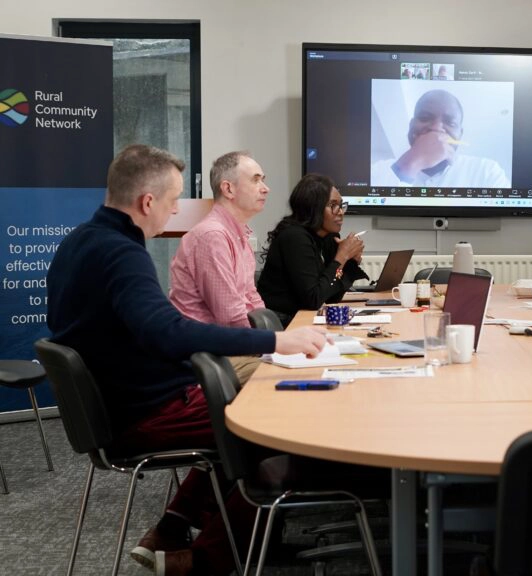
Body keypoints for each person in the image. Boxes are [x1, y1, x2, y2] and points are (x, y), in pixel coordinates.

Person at [47, 144, 327, 576]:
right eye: (174, 200)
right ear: (147, 202)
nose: (176, 210)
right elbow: (168, 332)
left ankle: (175, 528)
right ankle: (207, 562)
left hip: (118, 404)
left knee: (255, 415)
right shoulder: (121, 253)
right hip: (143, 412)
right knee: (278, 429)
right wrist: (274, 341)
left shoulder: (77, 242)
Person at [168, 151, 268, 385]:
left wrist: (273, 339)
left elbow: (252, 299)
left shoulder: (238, 233)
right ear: (228, 189)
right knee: (291, 376)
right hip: (209, 358)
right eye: (255, 180)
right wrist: (271, 346)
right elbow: (230, 317)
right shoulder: (212, 236)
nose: (265, 188)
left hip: (227, 349)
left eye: (263, 179)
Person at [257, 173, 368, 325]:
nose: (340, 212)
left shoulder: (328, 237)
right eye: (332, 205)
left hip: (304, 318)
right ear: (313, 208)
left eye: (341, 205)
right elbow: (313, 299)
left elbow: (330, 296)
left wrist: (348, 261)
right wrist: (342, 257)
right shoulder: (295, 237)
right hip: (283, 322)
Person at [369, 89, 511, 188]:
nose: (436, 128)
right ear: (411, 126)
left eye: (450, 122)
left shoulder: (487, 171)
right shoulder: (378, 169)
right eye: (425, 118)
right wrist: (411, 163)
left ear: (460, 134)